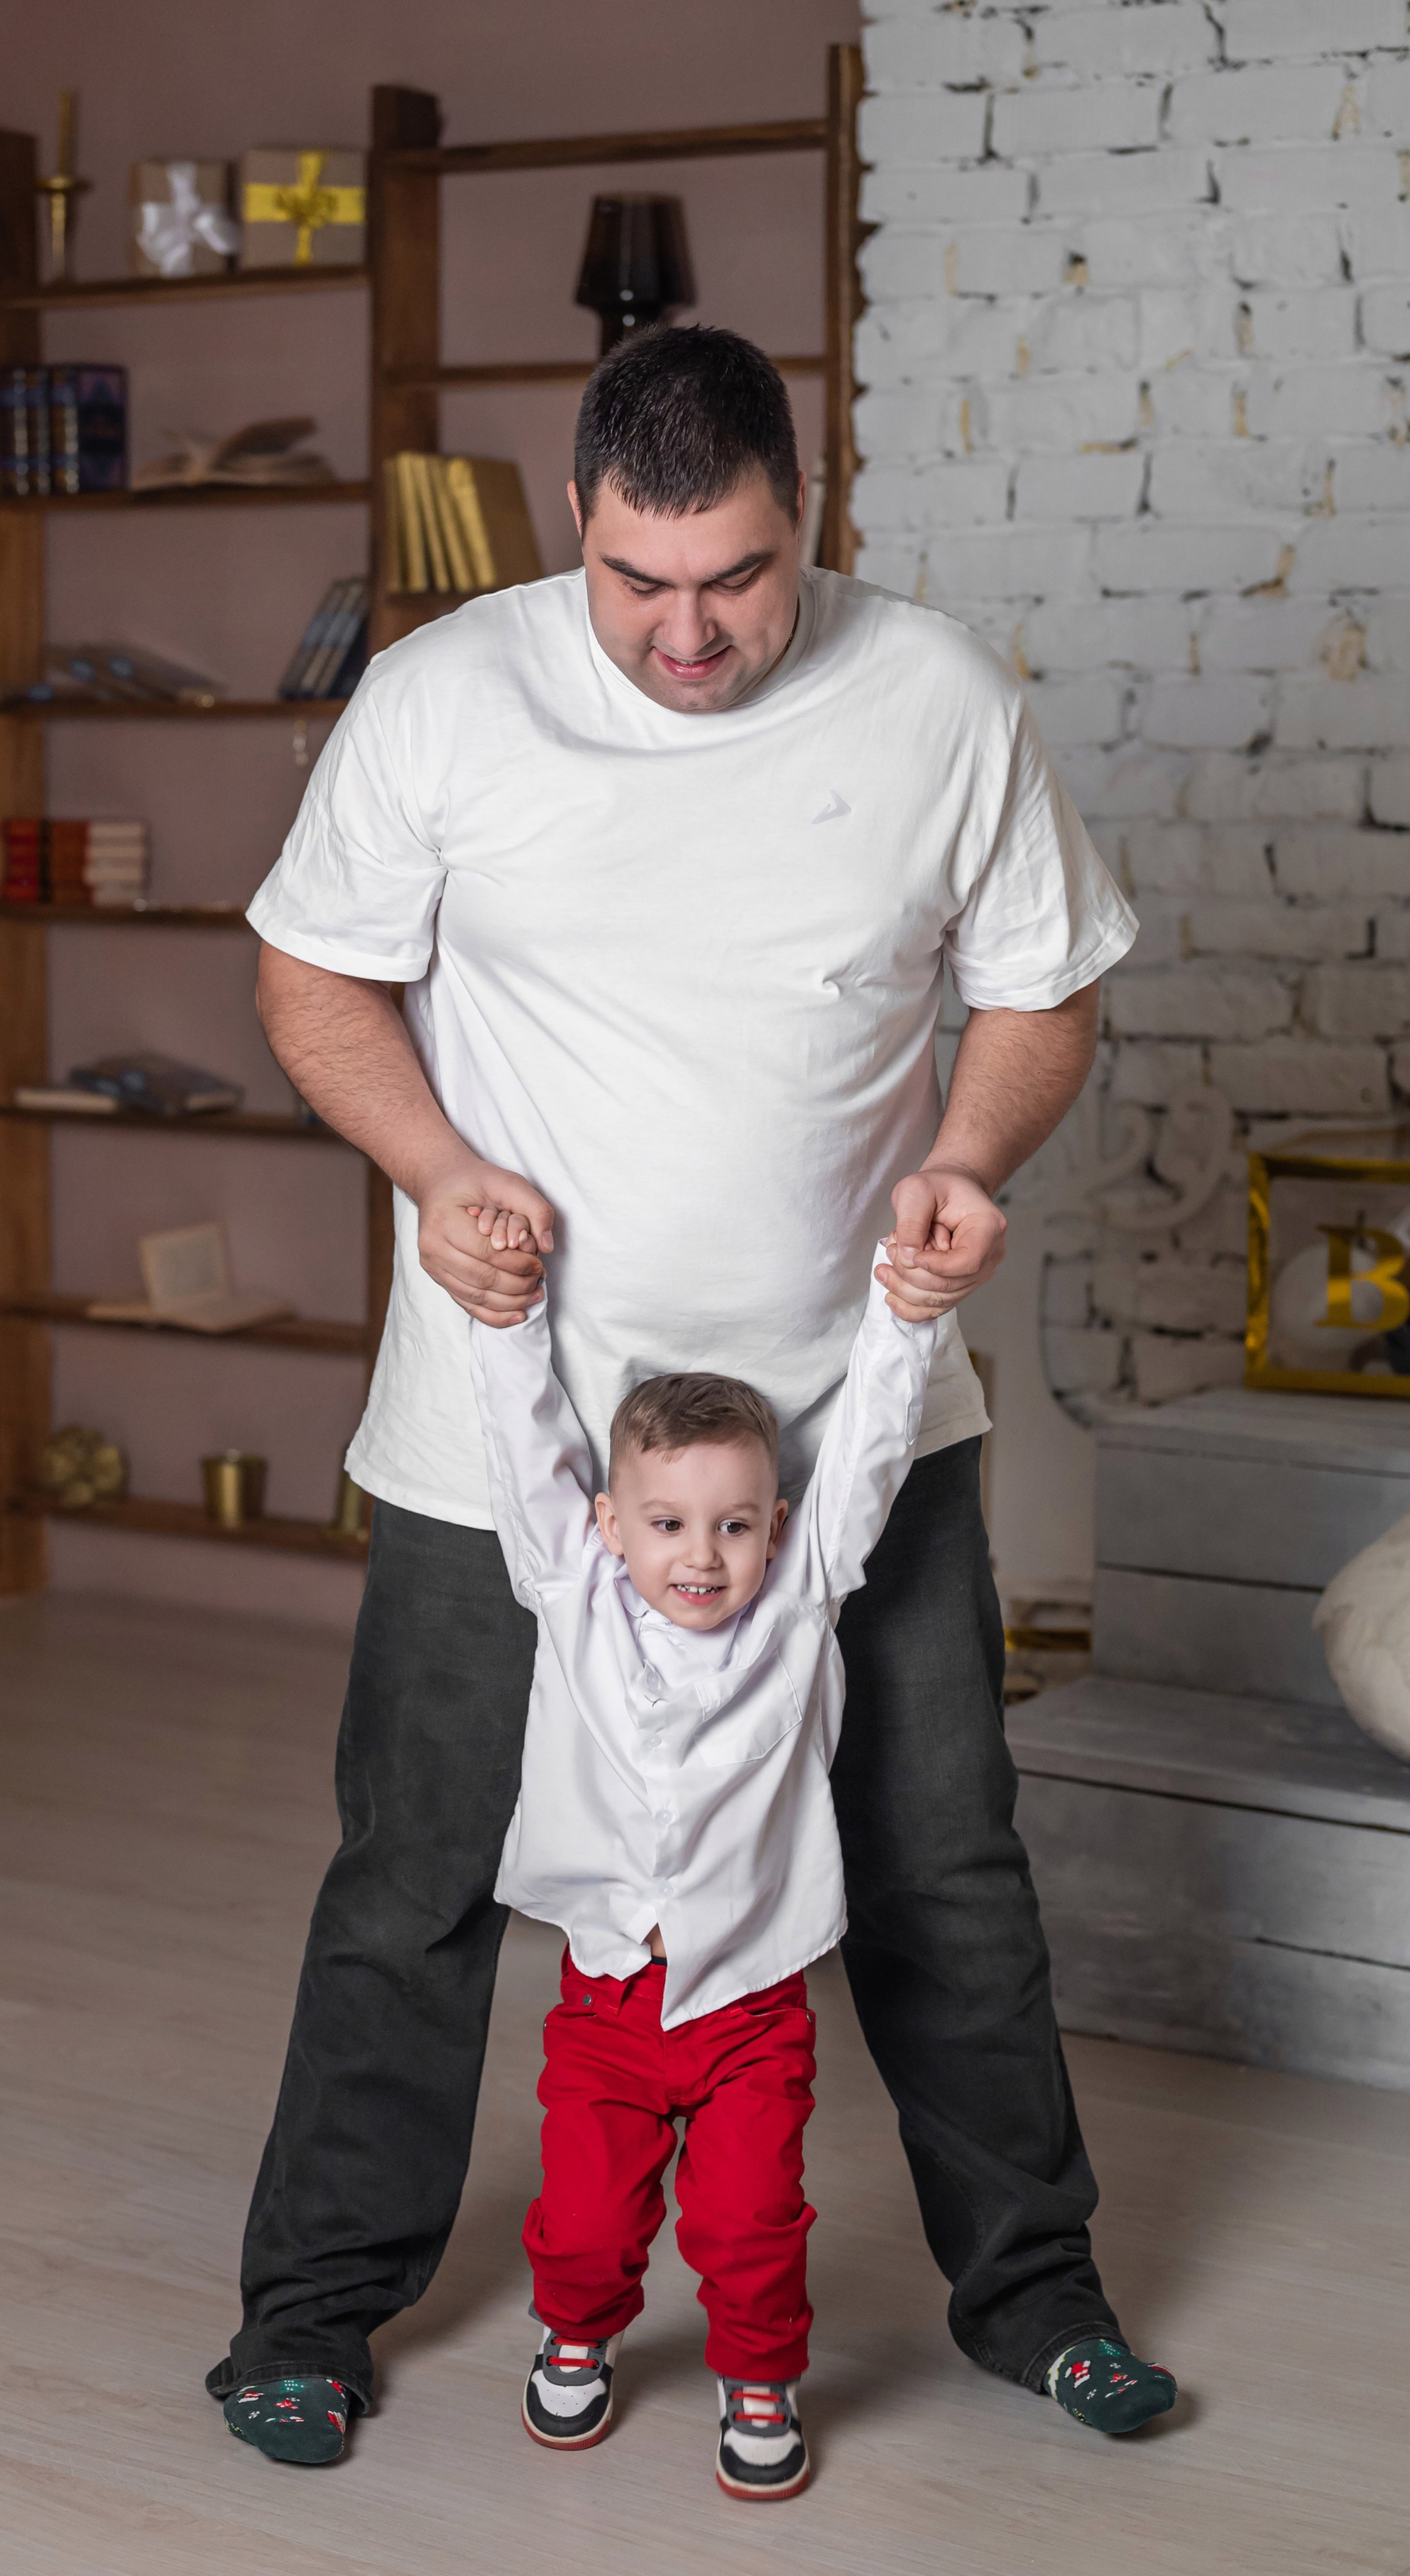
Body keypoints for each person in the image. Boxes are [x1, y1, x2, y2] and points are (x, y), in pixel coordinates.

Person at [211, 324, 1152, 2469]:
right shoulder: (448, 694)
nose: (691, 627)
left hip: (852, 1424)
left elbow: (1046, 986)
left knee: (946, 1868)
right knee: (415, 1871)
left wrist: (968, 1160)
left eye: (733, 575)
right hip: (502, 1437)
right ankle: (306, 2315)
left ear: (801, 518)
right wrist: (438, 1170)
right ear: (576, 527)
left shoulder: (934, 697)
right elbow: (310, 969)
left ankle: (1040, 2296)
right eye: (642, 581)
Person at [473, 1240, 936, 2501]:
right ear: (611, 1523)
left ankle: (760, 2370)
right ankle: (578, 2329)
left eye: (735, 1525)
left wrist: (907, 1313)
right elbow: (526, 1452)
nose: (702, 1554)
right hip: (609, 2002)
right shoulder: (569, 1593)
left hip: (750, 2004)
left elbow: (869, 1458)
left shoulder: (798, 1607)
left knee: (744, 2219)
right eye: (670, 1523)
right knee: (585, 2218)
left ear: (776, 1527)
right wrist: (506, 1321)